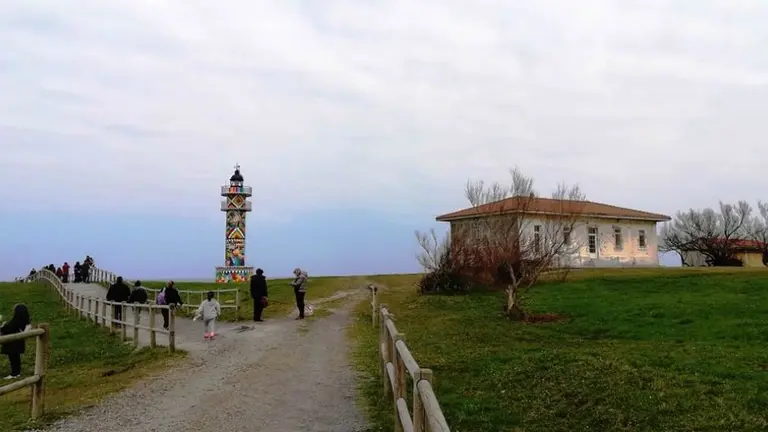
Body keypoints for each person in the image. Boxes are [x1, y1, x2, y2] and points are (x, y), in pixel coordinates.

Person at [1, 304, 31, 380]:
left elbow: (7, 329)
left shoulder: (16, 321)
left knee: (13, 358)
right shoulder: (25, 321)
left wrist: (3, 325)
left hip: (13, 344)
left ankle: (14, 373)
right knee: (16, 358)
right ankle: (16, 373)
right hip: (18, 343)